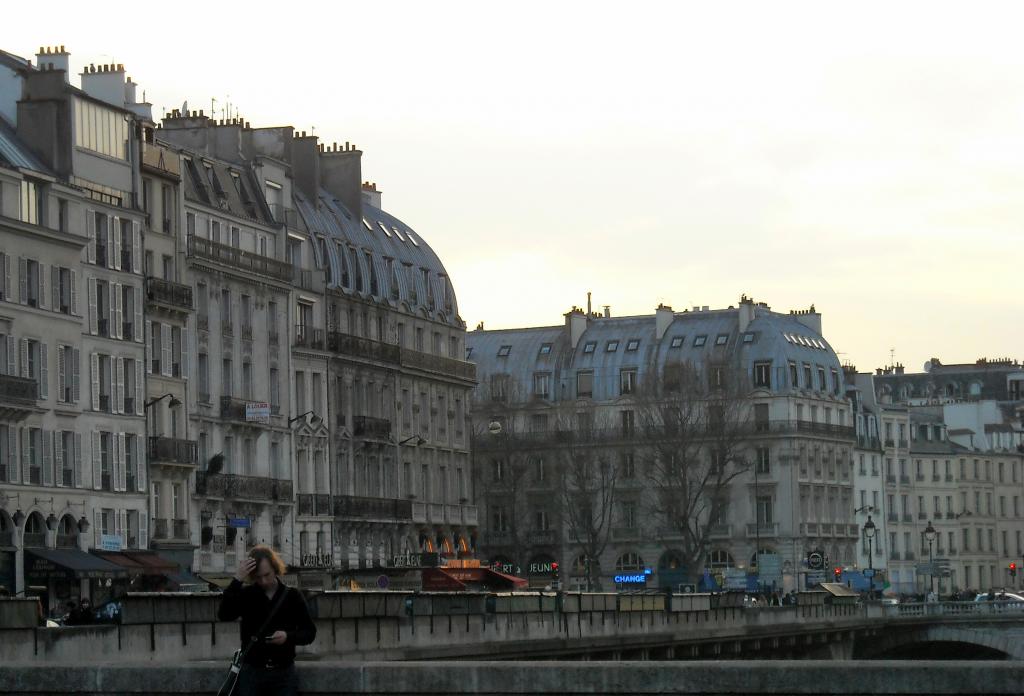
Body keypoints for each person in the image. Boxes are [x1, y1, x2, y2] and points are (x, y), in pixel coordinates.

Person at [218, 545, 316, 696]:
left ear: (275, 569)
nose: (263, 581)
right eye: (258, 577)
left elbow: (309, 632)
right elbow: (224, 615)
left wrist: (287, 637)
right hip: (251, 672)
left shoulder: (292, 596)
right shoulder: (247, 595)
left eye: (267, 575)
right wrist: (237, 580)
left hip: (283, 673)